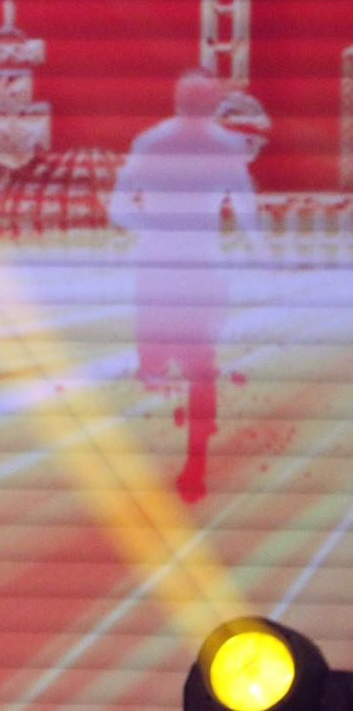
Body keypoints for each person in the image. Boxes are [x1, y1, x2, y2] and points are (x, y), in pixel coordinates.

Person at [109, 68, 258, 503]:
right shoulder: (228, 146)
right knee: (200, 368)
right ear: (215, 104)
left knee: (156, 368)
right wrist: (263, 253)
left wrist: (154, 229)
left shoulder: (150, 142)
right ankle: (195, 460)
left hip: (158, 268)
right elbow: (246, 211)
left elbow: (118, 209)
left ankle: (176, 452)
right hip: (201, 269)